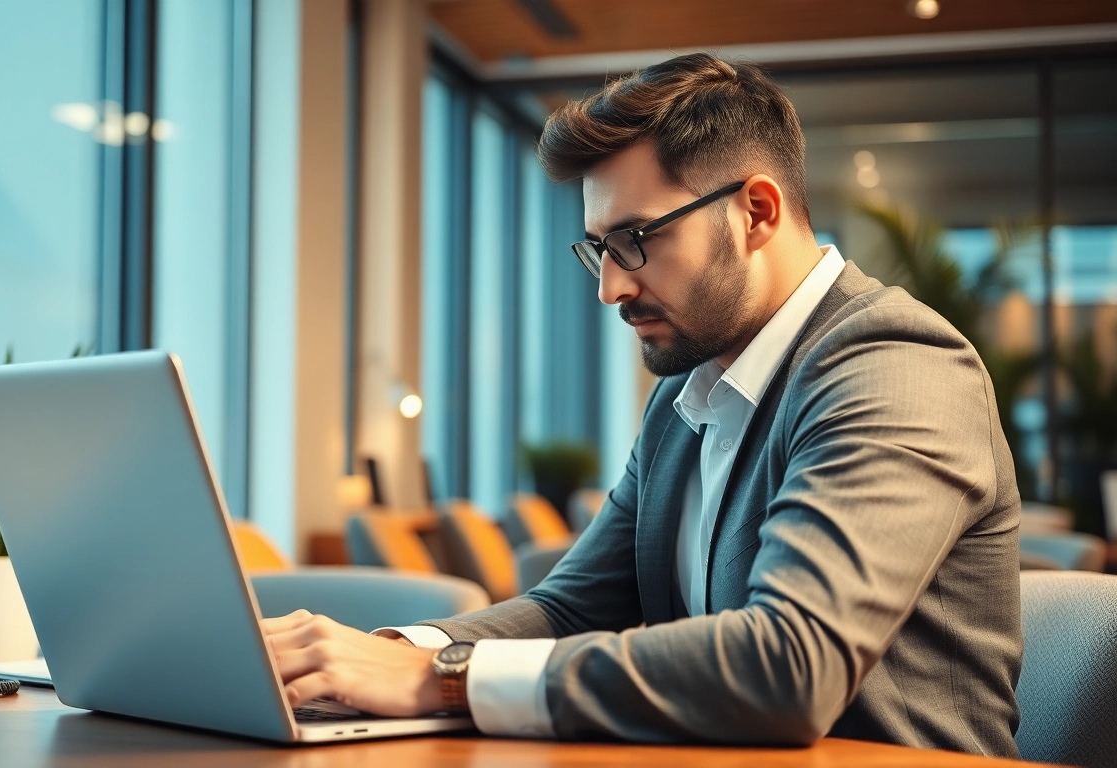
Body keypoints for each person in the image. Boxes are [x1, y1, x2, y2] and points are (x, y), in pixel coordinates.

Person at [261, 52, 1022, 756]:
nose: (611, 287)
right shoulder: (686, 398)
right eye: (598, 248)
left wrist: (444, 678)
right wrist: (385, 656)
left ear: (756, 211)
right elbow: (569, 608)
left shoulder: (894, 365)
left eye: (636, 239)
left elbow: (791, 665)